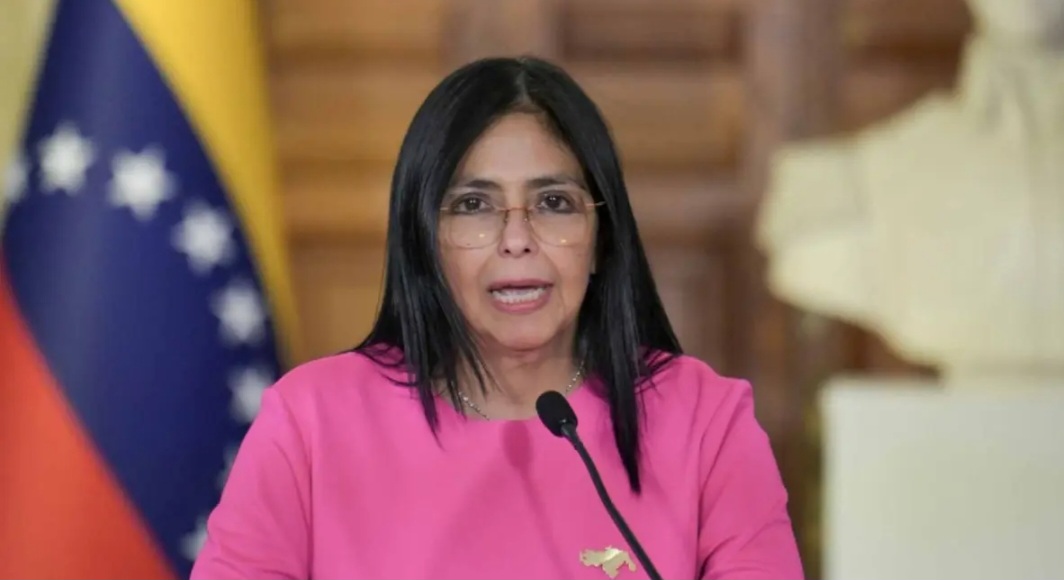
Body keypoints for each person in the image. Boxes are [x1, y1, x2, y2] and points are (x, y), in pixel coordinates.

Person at [190, 56, 804, 580]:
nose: (517, 240)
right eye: (474, 205)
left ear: (602, 237)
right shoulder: (311, 422)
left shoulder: (706, 423)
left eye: (554, 203)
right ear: (425, 240)